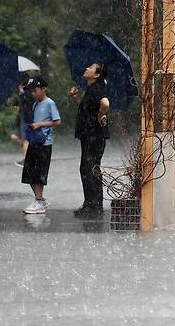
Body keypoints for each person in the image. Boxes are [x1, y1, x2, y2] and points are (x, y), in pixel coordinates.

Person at [69, 62, 110, 218]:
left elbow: (105, 103)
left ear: (97, 75)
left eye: (91, 68)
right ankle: (92, 204)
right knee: (90, 168)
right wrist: (76, 97)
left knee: (89, 169)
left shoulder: (98, 88)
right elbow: (87, 106)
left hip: (94, 135)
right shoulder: (91, 89)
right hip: (90, 134)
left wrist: (101, 116)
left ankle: (93, 206)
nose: (86, 68)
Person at [21, 76, 61, 214]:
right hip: (34, 141)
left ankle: (38, 201)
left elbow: (57, 121)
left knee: (40, 173)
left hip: (44, 143)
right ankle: (40, 199)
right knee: (29, 173)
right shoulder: (35, 104)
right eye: (31, 91)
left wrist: (40, 124)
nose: (33, 93)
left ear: (44, 89)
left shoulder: (50, 103)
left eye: (35, 90)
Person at [10, 75, 35, 167]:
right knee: (14, 137)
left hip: (28, 119)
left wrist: (21, 91)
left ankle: (27, 159)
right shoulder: (23, 93)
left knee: (25, 140)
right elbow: (18, 103)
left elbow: (27, 101)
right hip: (21, 119)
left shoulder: (29, 92)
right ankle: (32, 153)